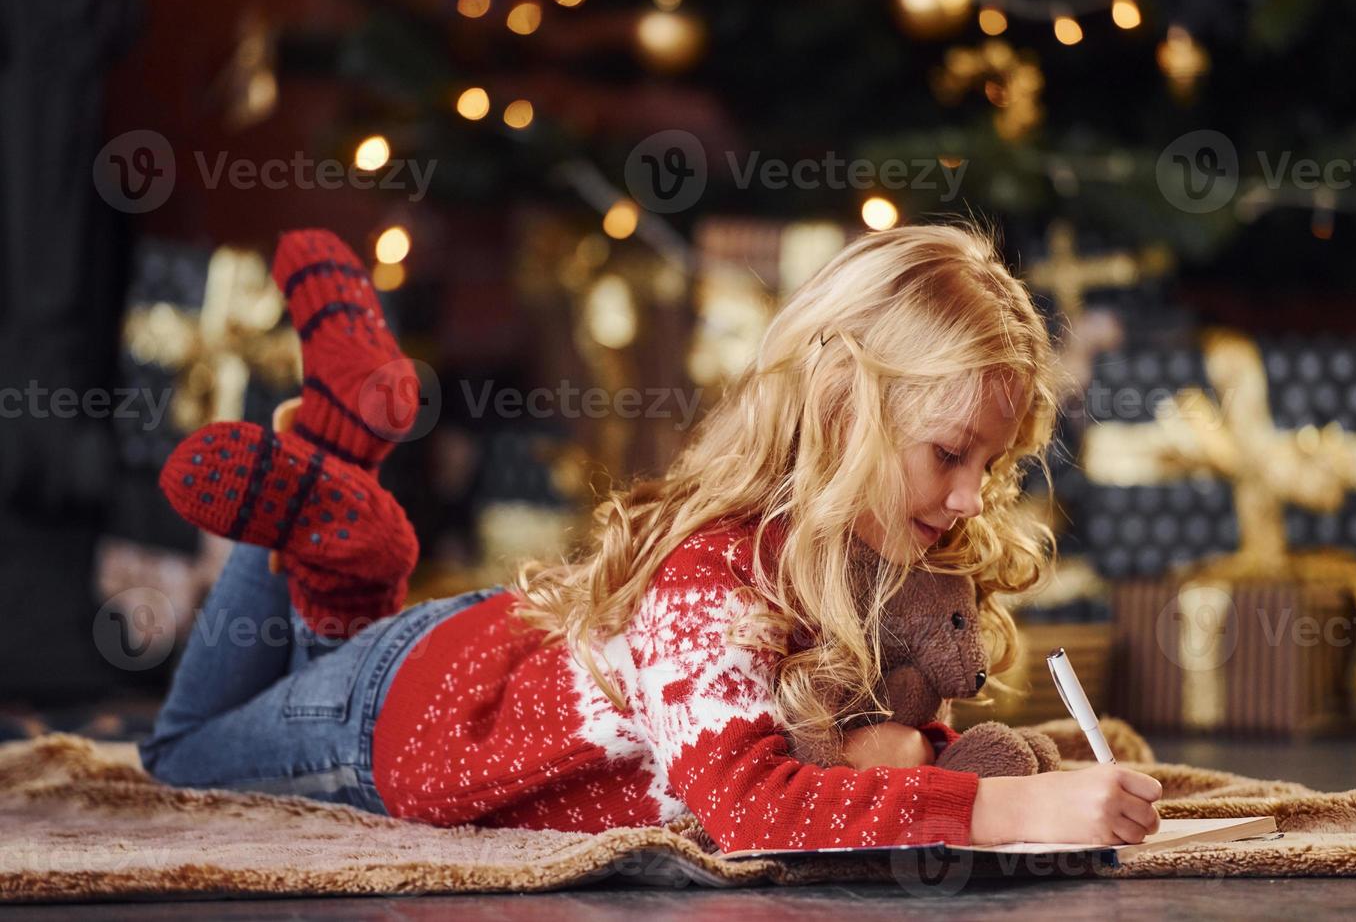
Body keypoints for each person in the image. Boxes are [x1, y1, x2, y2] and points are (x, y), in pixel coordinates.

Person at [140, 223, 1162, 853]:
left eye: (990, 464)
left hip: (456, 663)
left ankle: (332, 483)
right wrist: (1014, 814)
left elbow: (819, 743)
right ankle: (325, 470)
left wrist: (915, 754)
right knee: (182, 754)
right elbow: (751, 806)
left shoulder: (871, 560)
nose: (975, 495)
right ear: (842, 406)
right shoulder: (717, 573)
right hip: (401, 724)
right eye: (950, 453)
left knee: (320, 648)